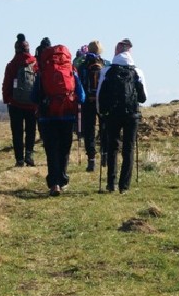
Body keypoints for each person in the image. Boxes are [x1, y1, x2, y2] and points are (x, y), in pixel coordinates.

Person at [31, 42, 85, 196]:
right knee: (64, 149)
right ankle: (62, 179)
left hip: (47, 117)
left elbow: (34, 96)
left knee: (51, 150)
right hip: (67, 115)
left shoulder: (43, 71)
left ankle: (54, 183)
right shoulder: (71, 70)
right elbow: (82, 96)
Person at [97, 38, 147, 194]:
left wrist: (101, 113)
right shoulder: (137, 72)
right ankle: (124, 186)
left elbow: (100, 95)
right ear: (130, 52)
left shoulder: (106, 71)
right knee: (128, 148)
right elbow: (143, 98)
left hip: (112, 114)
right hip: (131, 114)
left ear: (117, 51)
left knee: (112, 147)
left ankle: (111, 183)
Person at [1, 33, 38, 167]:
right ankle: (29, 155)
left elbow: (6, 84)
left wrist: (7, 99)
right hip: (32, 104)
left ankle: (19, 159)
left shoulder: (12, 65)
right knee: (31, 131)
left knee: (17, 132)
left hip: (15, 103)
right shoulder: (35, 63)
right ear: (28, 49)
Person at [78, 41, 106, 172]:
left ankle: (91, 160)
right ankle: (105, 156)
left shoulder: (83, 65)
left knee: (89, 130)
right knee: (104, 128)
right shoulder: (105, 64)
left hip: (87, 101)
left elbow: (79, 83)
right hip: (101, 101)